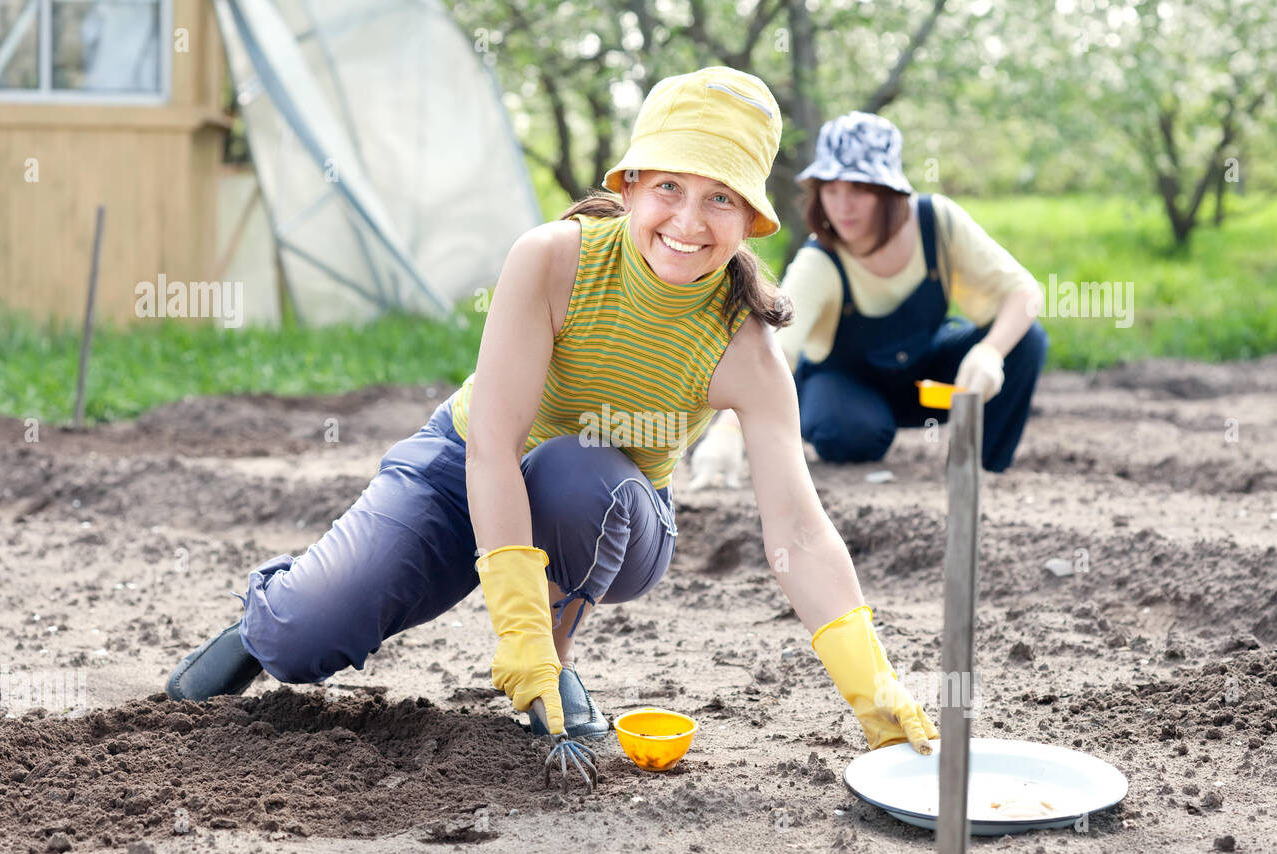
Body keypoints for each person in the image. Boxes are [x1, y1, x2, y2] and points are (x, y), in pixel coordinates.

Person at [165, 69, 937, 756]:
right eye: (669, 187)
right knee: (307, 635)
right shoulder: (552, 259)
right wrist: (514, 623)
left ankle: (555, 663)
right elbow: (493, 446)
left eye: (720, 198)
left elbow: (798, 533)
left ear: (751, 222)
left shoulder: (748, 350)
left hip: (610, 507)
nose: (689, 222)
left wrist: (873, 685)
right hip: (464, 463)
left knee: (576, 467)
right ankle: (262, 626)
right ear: (630, 186)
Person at [691, 112, 1047, 482]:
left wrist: (990, 351)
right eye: (831, 189)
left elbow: (1025, 294)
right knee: (848, 431)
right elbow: (774, 350)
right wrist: (728, 431)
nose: (842, 207)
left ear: (888, 192)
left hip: (922, 377)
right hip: (845, 388)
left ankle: (984, 471)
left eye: (858, 190)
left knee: (1027, 340)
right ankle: (842, 423)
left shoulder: (936, 223)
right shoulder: (819, 260)